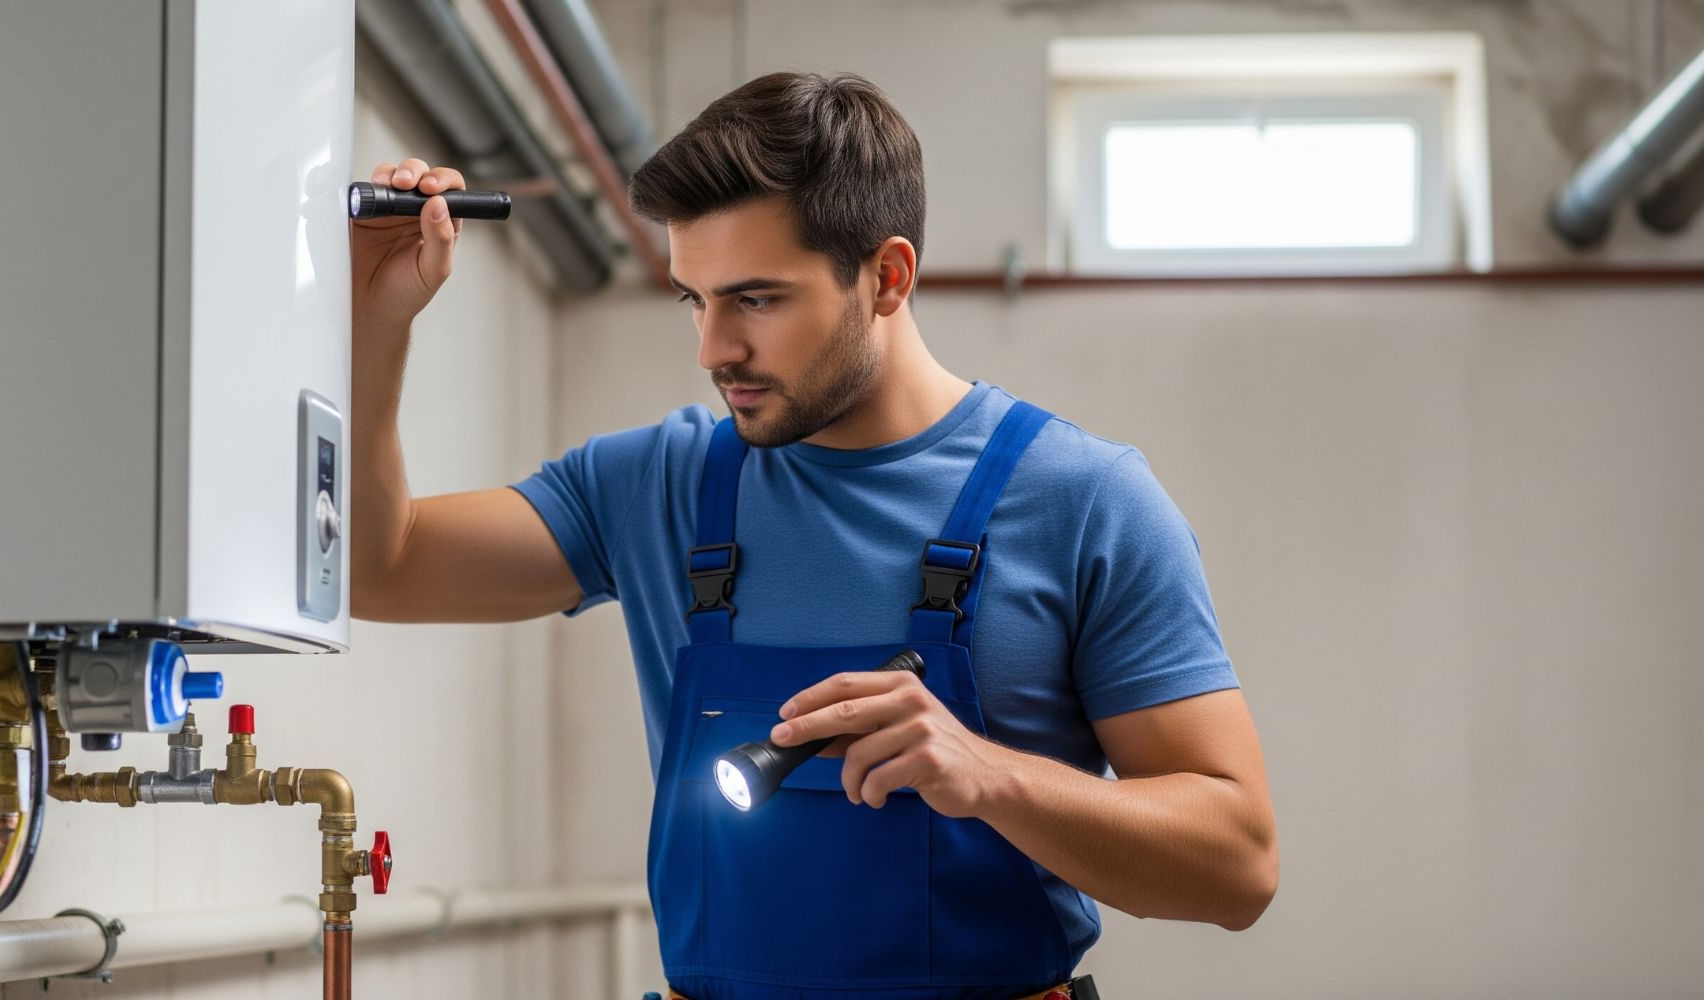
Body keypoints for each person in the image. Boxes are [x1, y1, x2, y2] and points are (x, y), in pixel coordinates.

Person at [349, 71, 1276, 1000]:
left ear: (887, 277)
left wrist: (989, 776)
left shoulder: (1084, 501)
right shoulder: (655, 487)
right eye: (694, 300)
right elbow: (374, 570)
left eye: (756, 300)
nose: (714, 349)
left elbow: (1237, 867)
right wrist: (377, 319)